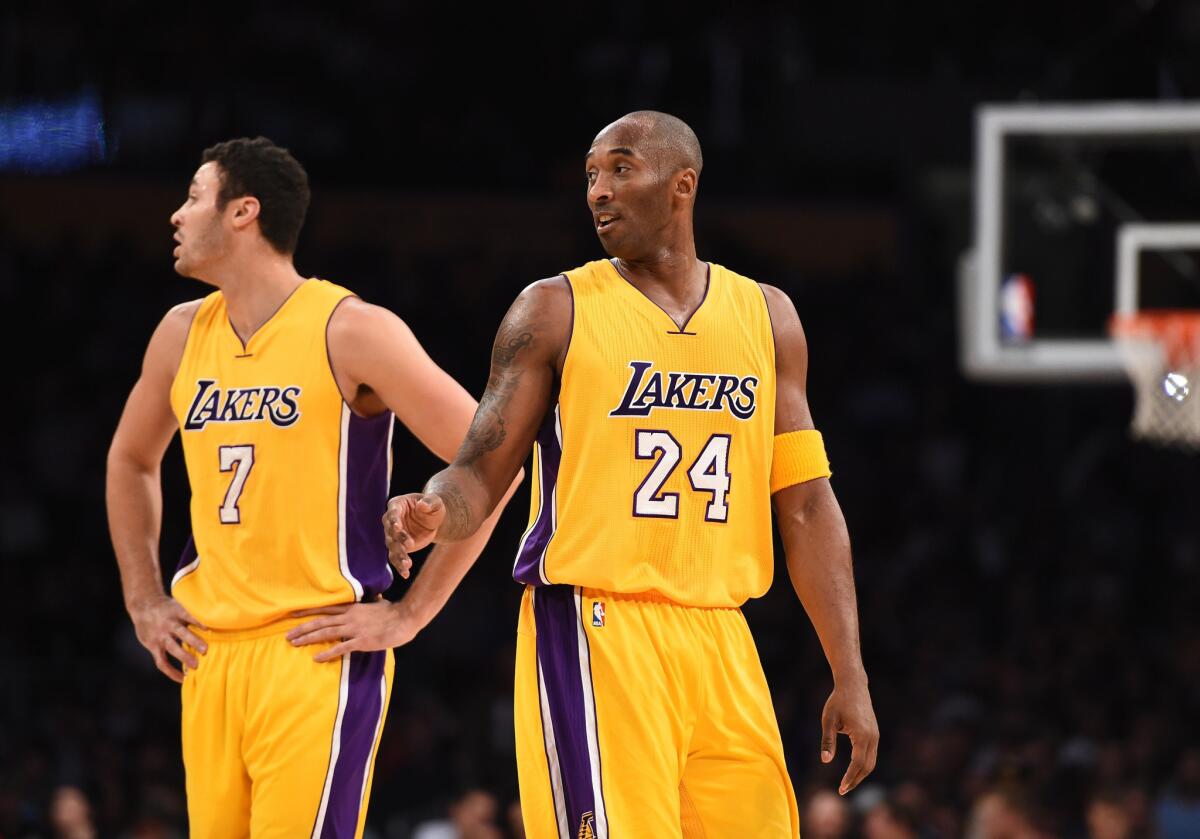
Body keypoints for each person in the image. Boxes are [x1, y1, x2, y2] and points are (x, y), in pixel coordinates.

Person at [378, 111, 879, 837]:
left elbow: (804, 503)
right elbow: (477, 473)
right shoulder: (552, 309)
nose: (597, 192)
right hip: (595, 625)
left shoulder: (768, 316)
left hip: (722, 636)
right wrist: (431, 508)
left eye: (620, 168)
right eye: (589, 175)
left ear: (683, 185)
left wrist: (850, 668)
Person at [106, 137, 518, 838]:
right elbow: (130, 461)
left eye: (194, 197)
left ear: (244, 212)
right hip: (210, 655)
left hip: (314, 652)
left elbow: (496, 457)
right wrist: (143, 598)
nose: (176, 215)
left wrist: (410, 614)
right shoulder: (179, 334)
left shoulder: (351, 329)